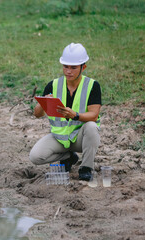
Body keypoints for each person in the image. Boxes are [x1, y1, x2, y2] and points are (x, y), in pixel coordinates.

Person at [29, 43, 101, 181]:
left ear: (83, 67)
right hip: (60, 138)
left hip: (81, 138)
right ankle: (69, 157)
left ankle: (86, 167)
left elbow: (94, 115)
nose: (68, 71)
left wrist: (75, 115)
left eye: (73, 67)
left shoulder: (92, 86)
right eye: (65, 66)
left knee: (92, 126)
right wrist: (43, 103)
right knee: (35, 156)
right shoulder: (53, 85)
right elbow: (37, 114)